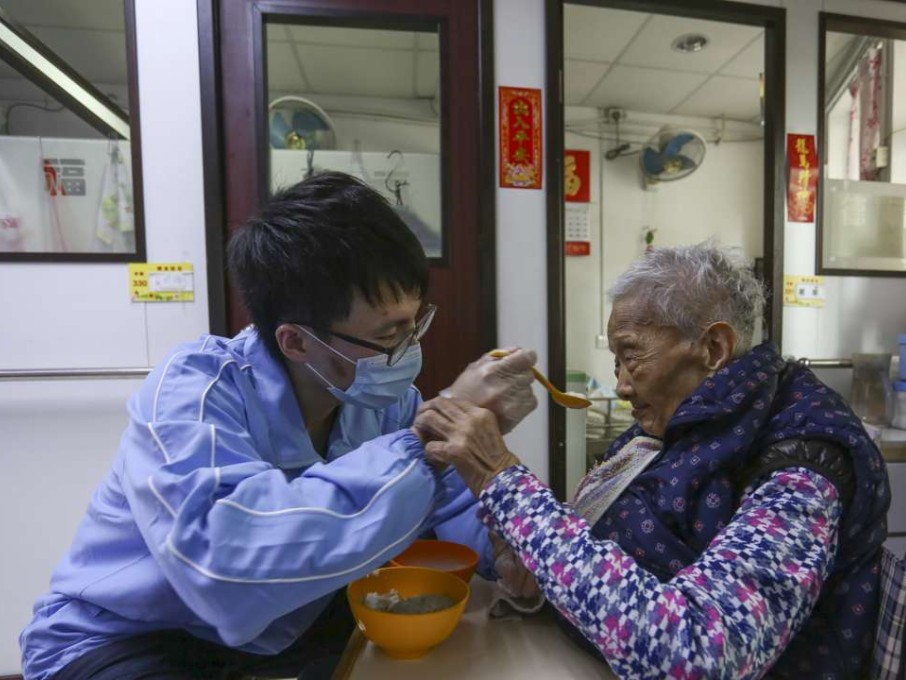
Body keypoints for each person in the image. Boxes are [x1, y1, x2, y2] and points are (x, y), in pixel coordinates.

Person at [20, 172, 538, 680]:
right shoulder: (192, 391)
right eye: (390, 333)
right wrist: (425, 437)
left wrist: (503, 544)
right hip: (129, 636)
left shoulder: (388, 404)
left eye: (415, 322)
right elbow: (225, 567)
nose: (409, 351)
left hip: (279, 631)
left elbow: (448, 501)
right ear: (295, 342)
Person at [416, 243, 891, 679]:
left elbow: (696, 655)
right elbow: (608, 554)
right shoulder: (679, 422)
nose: (622, 385)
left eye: (631, 354)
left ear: (713, 349)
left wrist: (503, 481)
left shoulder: (801, 464)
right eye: (616, 362)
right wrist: (538, 577)